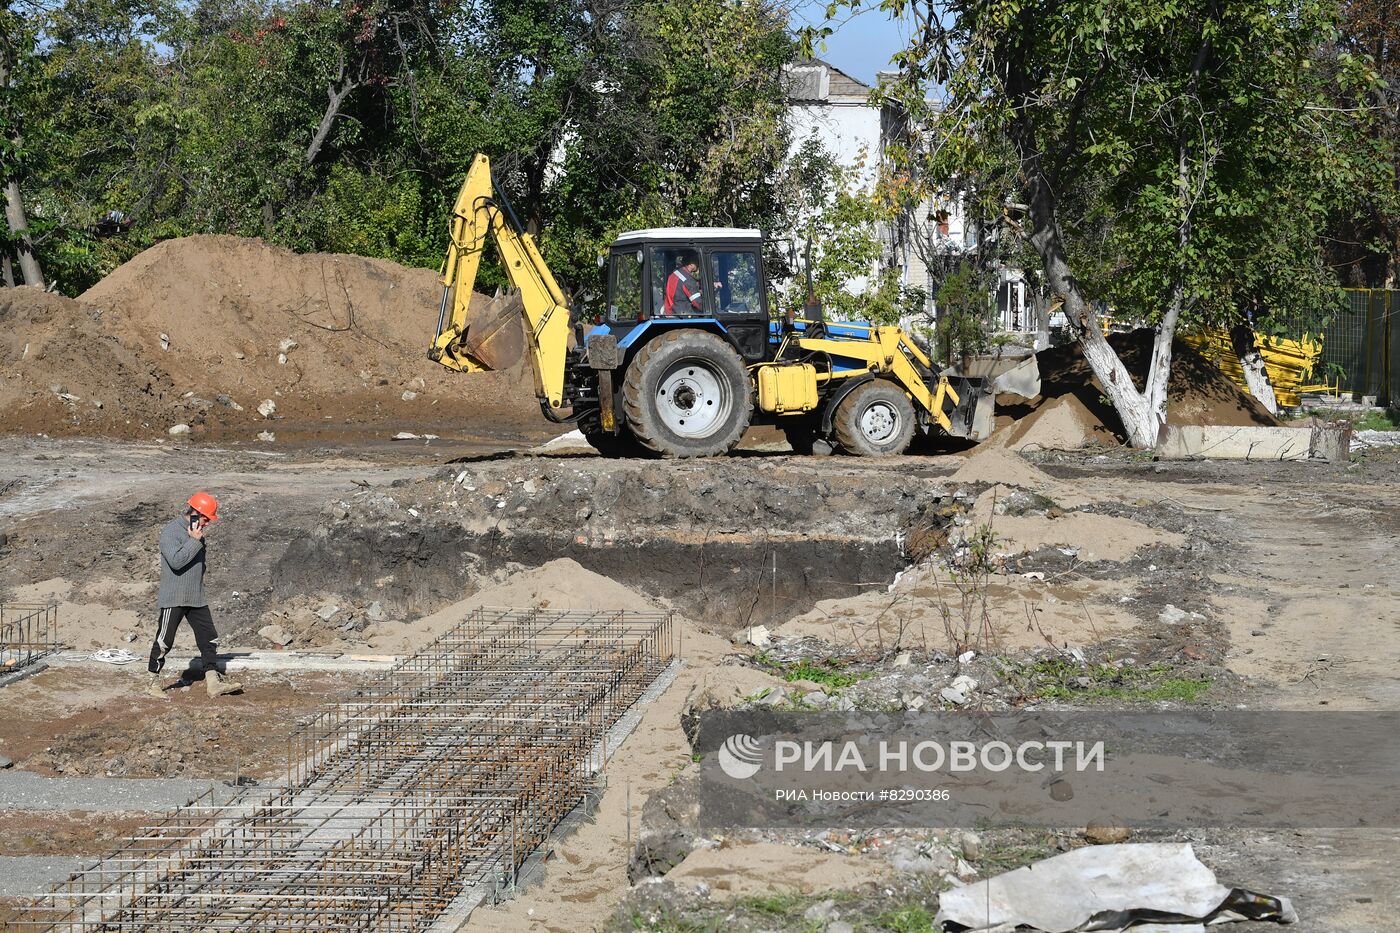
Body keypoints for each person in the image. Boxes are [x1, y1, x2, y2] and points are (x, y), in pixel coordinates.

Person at [147, 492, 242, 699]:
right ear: (195, 512)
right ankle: (152, 682)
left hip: (196, 596)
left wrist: (196, 540)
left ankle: (213, 682)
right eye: (206, 518)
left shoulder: (196, 533)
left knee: (209, 639)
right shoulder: (171, 532)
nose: (207, 523)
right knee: (164, 641)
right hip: (174, 596)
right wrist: (194, 541)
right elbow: (176, 561)